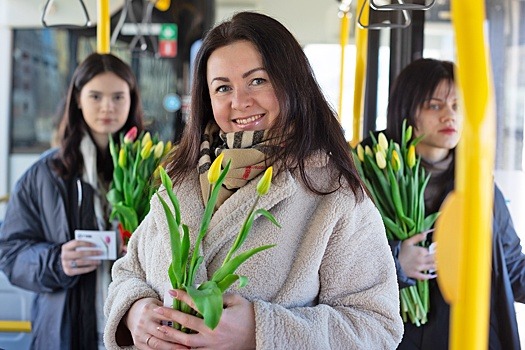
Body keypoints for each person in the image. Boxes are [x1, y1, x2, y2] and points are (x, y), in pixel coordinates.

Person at [103, 11, 404, 350]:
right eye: (222, 88)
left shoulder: (334, 195)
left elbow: (377, 327)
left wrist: (261, 331)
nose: (239, 101)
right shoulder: (179, 179)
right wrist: (135, 310)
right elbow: (128, 272)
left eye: (257, 81)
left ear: (292, 83)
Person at [371, 58, 525, 349]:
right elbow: (339, 263)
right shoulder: (368, 172)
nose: (449, 116)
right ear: (407, 109)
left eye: (457, 106)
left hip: (462, 336)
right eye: (435, 105)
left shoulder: (477, 181)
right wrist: (397, 263)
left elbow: (511, 268)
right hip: (392, 336)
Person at [0, 52, 144, 350]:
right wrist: (56, 261)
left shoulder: (152, 171)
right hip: (63, 334)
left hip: (133, 333)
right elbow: (10, 253)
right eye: (95, 96)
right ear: (77, 99)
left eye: (118, 96)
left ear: (131, 100)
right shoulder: (44, 175)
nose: (108, 107)